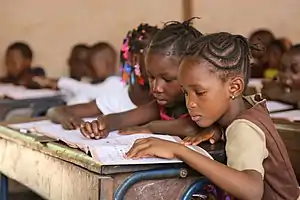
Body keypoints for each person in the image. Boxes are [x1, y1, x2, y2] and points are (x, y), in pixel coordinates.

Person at [126, 32, 299, 199]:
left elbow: (251, 191)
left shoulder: (243, 128)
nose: (190, 103)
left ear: (234, 87)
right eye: (186, 93)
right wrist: (218, 130)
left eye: (199, 92)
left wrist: (180, 150)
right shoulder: (246, 106)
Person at [80, 19, 221, 142]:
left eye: (167, 79)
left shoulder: (202, 105)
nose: (156, 87)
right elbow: (123, 118)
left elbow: (190, 127)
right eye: (151, 77)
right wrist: (102, 124)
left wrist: (150, 127)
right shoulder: (160, 107)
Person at [47, 24, 159, 130]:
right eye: (155, 58)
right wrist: (66, 118)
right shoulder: (116, 99)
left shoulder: (166, 99)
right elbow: (54, 111)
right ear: (134, 60)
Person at [33, 42, 118, 105]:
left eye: (92, 65)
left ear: (108, 63)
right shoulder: (90, 84)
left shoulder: (116, 83)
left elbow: (87, 90)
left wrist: (58, 82)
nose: (88, 70)